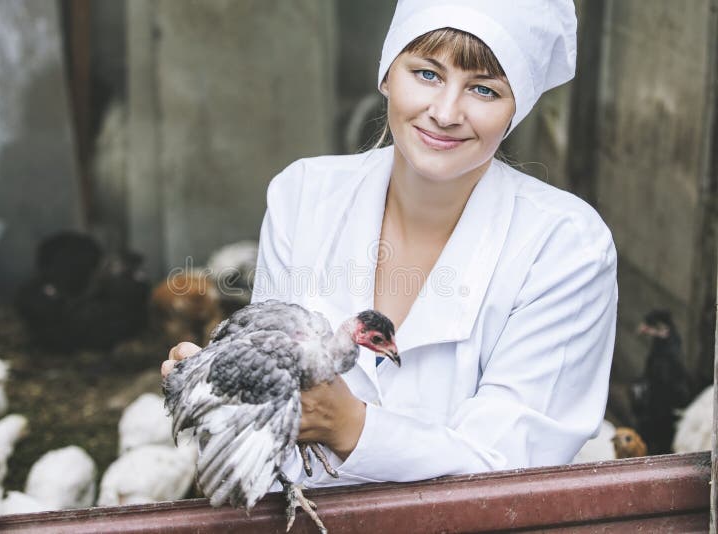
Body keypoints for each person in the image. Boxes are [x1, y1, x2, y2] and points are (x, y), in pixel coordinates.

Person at [162, 0, 617, 488]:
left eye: (484, 89)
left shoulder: (567, 246)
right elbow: (273, 433)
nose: (445, 113)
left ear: (515, 109)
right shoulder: (304, 196)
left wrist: (350, 426)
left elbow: (511, 462)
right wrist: (222, 396)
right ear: (386, 74)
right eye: (426, 74)